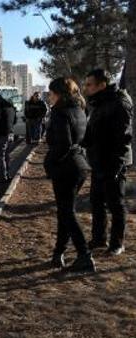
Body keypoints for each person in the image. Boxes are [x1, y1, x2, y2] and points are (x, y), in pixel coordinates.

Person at [43, 77, 96, 272]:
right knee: (65, 211)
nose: (49, 97)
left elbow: (63, 144)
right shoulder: (80, 110)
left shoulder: (60, 113)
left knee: (67, 213)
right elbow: (86, 139)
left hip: (66, 168)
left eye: (51, 93)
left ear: (59, 94)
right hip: (79, 165)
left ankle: (84, 255)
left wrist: (49, 162)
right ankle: (59, 253)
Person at [82, 68, 134, 256]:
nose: (85, 88)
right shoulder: (99, 102)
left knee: (115, 203)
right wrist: (83, 142)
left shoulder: (119, 102)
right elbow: (93, 128)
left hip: (113, 163)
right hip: (98, 161)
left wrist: (116, 165)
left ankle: (117, 242)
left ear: (102, 85)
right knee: (96, 201)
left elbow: (124, 138)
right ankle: (99, 238)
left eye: (89, 84)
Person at [0, 93, 16, 182]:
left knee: (0, 156)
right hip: (11, 134)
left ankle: (3, 177)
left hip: (1, 135)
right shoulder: (11, 107)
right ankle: (8, 174)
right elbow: (14, 120)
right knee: (7, 155)